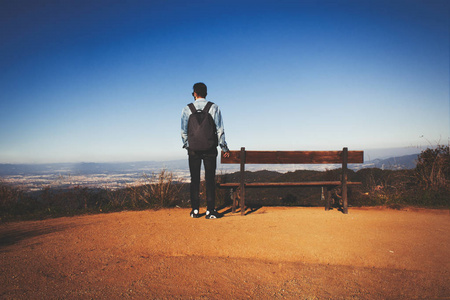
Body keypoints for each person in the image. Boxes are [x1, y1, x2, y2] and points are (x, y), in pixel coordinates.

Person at [181, 82, 230, 219]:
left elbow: (183, 131)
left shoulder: (187, 109)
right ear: (206, 93)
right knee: (210, 179)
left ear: (194, 94)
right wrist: (224, 147)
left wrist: (187, 145)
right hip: (210, 149)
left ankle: (195, 210)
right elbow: (220, 130)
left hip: (193, 150)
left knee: (194, 179)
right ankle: (210, 210)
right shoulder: (214, 107)